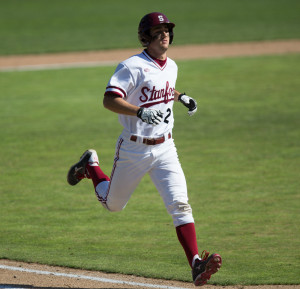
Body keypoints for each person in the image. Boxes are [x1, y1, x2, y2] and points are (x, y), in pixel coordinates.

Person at [67, 12, 222, 286]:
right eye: (158, 30)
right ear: (146, 36)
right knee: (113, 205)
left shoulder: (171, 65)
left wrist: (181, 96)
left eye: (167, 30)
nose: (165, 34)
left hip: (166, 149)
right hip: (134, 150)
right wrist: (139, 113)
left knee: (180, 205)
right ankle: (91, 165)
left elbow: (163, 87)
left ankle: (196, 264)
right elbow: (109, 99)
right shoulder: (131, 66)